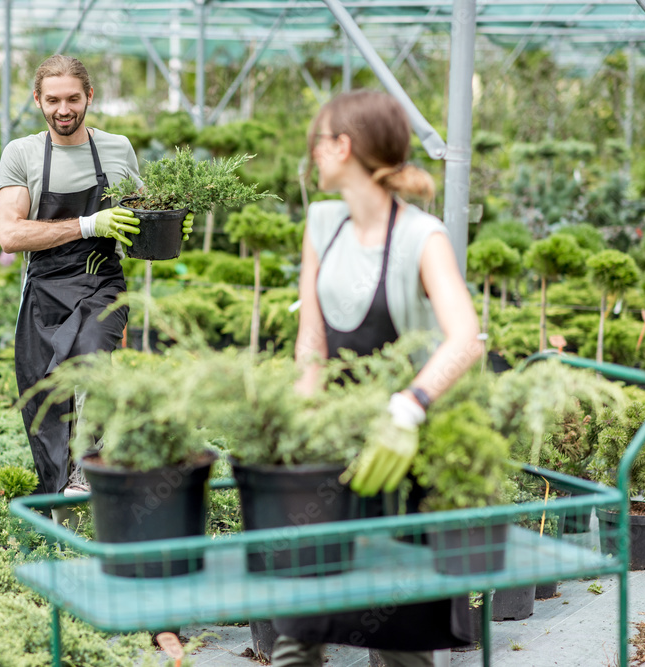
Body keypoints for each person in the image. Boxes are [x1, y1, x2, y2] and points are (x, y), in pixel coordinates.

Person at [281, 89, 482, 666]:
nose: (313, 156)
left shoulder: (423, 237)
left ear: (343, 147)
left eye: (318, 143)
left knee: (398, 635)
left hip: (400, 452)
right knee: (300, 625)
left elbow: (465, 337)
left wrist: (411, 404)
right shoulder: (322, 224)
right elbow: (313, 341)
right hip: (334, 449)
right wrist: (302, 430)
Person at [0, 55, 192, 524]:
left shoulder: (116, 149)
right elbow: (10, 235)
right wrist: (88, 223)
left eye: (73, 99)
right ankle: (56, 495)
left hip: (101, 282)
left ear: (89, 98)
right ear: (38, 100)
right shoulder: (22, 154)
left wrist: (165, 228)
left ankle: (89, 470)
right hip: (44, 289)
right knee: (44, 395)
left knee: (89, 361)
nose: (64, 109)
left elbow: (141, 215)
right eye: (54, 100)